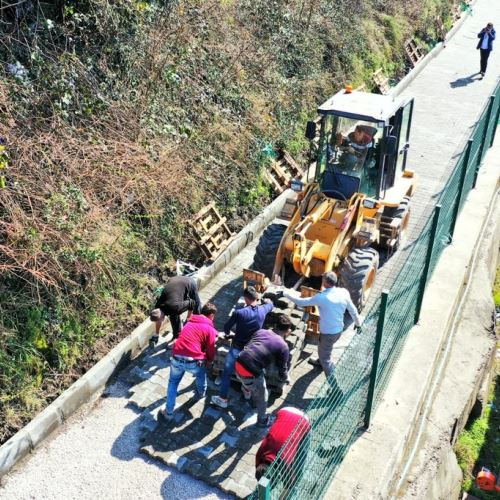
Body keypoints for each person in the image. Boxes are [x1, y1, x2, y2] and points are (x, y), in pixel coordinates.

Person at [283, 271, 361, 380]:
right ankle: (320, 361)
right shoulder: (343, 292)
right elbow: (353, 310)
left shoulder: (322, 297)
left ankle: (335, 387)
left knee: (326, 360)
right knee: (324, 348)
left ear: (325, 282)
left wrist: (286, 293)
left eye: (323, 279)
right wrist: (358, 324)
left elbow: (300, 302)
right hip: (338, 330)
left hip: (328, 334)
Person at [211, 286, 273, 409]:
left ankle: (223, 399)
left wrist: (230, 334)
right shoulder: (263, 310)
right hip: (251, 351)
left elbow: (226, 328)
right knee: (249, 374)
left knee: (227, 373)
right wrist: (267, 301)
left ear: (246, 298)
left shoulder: (239, 313)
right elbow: (271, 304)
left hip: (236, 349)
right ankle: (247, 393)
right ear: (256, 297)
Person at [159, 302, 218, 420]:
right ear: (211, 316)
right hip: (193, 361)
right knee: (201, 373)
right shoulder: (209, 328)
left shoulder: (190, 322)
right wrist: (209, 360)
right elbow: (210, 348)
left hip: (176, 357)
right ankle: (201, 394)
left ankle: (168, 412)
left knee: (173, 383)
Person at [234, 314, 292, 427]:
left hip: (238, 362)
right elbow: (282, 367)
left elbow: (252, 345)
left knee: (245, 380)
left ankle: (246, 392)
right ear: (287, 331)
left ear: (275, 325)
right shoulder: (283, 346)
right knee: (263, 396)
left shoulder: (261, 332)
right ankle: (262, 420)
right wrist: (285, 378)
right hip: (250, 372)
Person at [255, 406, 311, 483]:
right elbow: (258, 467)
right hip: (285, 411)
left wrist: (291, 482)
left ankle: (298, 480)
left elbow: (290, 482)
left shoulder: (285, 460)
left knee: (301, 457)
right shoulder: (260, 453)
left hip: (304, 420)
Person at [149, 275, 202, 344]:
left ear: (162, 318)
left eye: (160, 320)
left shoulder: (175, 307)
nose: (159, 322)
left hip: (189, 282)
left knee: (197, 308)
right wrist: (156, 334)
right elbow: (158, 321)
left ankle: (198, 328)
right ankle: (177, 336)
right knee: (173, 315)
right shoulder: (158, 307)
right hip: (175, 280)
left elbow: (192, 303)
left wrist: (188, 318)